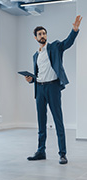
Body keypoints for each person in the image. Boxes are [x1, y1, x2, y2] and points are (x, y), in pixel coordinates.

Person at [25, 15, 82, 164]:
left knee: (58, 121)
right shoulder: (35, 55)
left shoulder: (55, 47)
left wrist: (74, 30)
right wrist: (31, 79)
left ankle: (62, 153)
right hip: (40, 89)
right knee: (41, 122)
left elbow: (67, 43)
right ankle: (40, 151)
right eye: (39, 34)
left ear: (46, 35)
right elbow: (39, 74)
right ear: (35, 38)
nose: (42, 36)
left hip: (53, 87)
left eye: (44, 33)